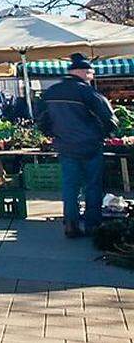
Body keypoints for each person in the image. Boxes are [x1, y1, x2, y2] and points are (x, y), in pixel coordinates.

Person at [37, 53, 117, 238]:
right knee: (93, 186)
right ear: (82, 72)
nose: (92, 76)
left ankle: (71, 224)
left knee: (70, 186)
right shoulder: (88, 93)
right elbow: (109, 119)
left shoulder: (51, 92)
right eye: (91, 73)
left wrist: (53, 134)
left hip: (65, 146)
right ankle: (93, 225)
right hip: (90, 147)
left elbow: (41, 119)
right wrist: (103, 135)